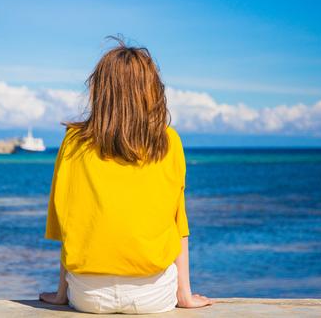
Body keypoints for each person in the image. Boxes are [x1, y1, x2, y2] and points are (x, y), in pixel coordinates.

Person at [39, 37, 213, 314]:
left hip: (88, 295)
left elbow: (68, 220)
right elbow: (178, 222)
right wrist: (185, 296)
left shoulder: (74, 141)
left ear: (101, 90)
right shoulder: (168, 141)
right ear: (151, 89)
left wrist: (62, 294)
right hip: (152, 294)